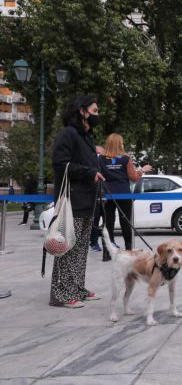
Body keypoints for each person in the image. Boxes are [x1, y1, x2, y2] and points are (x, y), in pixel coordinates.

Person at [49, 95, 105, 308]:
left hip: (86, 201)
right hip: (70, 202)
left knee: (81, 249)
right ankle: (61, 294)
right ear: (82, 111)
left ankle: (77, 288)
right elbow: (59, 164)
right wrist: (89, 172)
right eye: (94, 110)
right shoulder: (68, 134)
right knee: (66, 248)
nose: (97, 114)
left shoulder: (88, 137)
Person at [99, 134, 152, 251]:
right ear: (119, 144)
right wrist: (142, 170)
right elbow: (133, 178)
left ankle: (107, 252)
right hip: (124, 194)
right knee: (126, 223)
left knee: (108, 224)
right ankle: (128, 249)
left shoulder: (101, 159)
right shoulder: (126, 158)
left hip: (107, 194)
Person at [89, 146, 106, 253]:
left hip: (105, 196)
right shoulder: (91, 165)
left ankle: (108, 242)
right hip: (94, 197)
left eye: (101, 153)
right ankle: (94, 243)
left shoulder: (105, 163)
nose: (99, 155)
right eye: (97, 153)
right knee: (95, 221)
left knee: (107, 221)